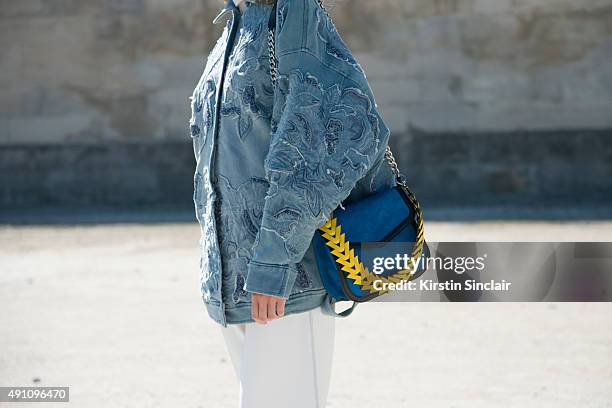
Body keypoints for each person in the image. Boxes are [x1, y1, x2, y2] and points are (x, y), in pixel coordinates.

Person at [188, 0, 396, 406]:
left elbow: (313, 149)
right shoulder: (237, 21)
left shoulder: (295, 15)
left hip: (286, 278)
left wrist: (272, 264)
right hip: (234, 284)